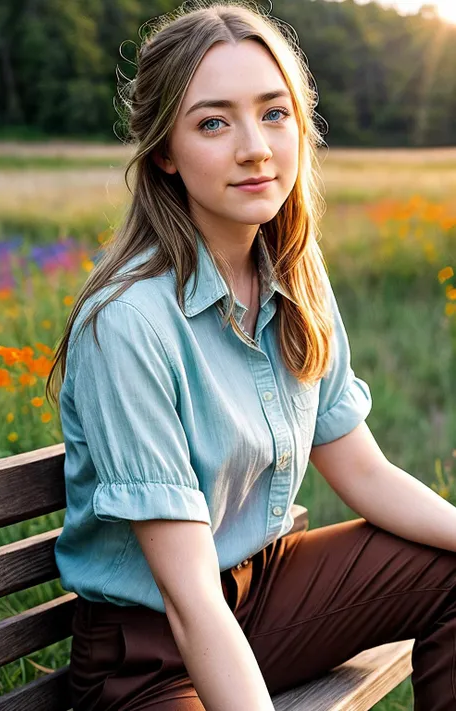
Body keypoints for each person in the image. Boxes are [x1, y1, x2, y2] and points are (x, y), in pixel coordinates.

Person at [46, 2, 456, 709]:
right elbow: (189, 596)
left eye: (274, 112)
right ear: (165, 152)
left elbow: (362, 468)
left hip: (263, 599)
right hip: (151, 652)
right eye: (213, 121)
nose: (255, 147)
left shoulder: (294, 273)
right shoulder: (130, 323)